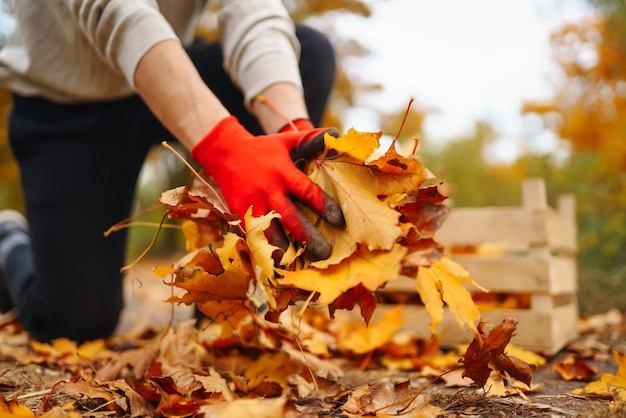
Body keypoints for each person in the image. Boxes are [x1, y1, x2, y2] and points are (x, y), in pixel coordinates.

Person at [0, 0, 344, 343]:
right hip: (67, 102)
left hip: (170, 64)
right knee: (77, 325)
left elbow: (253, 10)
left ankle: (227, 308)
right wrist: (225, 146)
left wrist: (291, 132)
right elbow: (114, 8)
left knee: (308, 53)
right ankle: (8, 241)